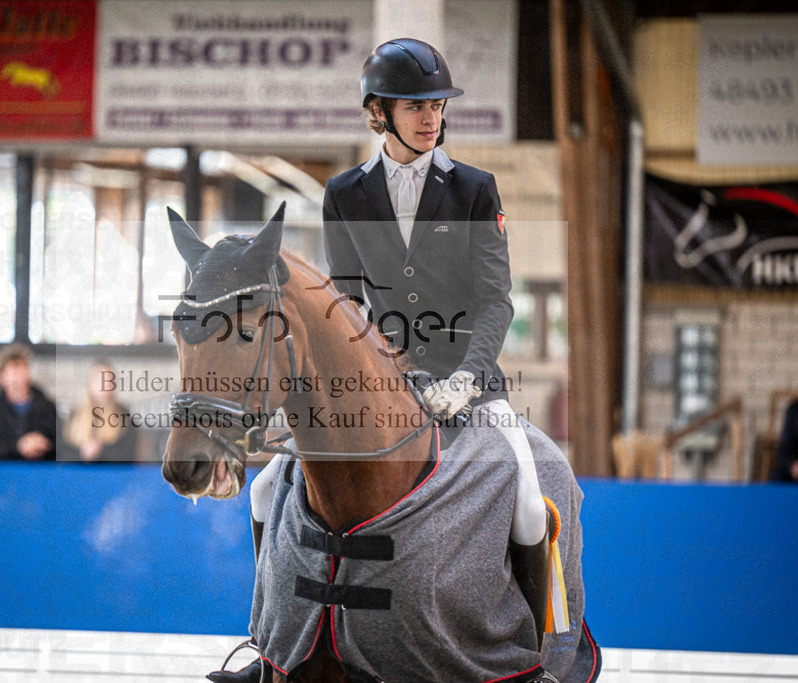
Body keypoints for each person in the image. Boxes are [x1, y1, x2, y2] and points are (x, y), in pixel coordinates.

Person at [211, 39, 560, 683]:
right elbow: (344, 301)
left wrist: (465, 377)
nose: (431, 117)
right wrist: (365, 362)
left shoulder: (476, 190)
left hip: (470, 382)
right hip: (383, 380)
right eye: (414, 105)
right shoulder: (345, 192)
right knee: (264, 489)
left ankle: (533, 657)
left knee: (531, 502)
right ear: (379, 113)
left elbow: (496, 303)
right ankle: (267, 648)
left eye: (437, 105)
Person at [0, 343, 60, 461]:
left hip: (39, 472)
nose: (17, 377)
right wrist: (18, 447)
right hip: (1, 473)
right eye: (12, 371)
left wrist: (42, 445)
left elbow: (61, 446)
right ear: (1, 376)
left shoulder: (47, 407)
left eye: (21, 369)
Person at [61, 362, 137, 462]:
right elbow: (63, 453)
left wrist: (100, 452)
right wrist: (82, 453)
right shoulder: (75, 414)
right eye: (99, 380)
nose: (104, 385)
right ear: (90, 383)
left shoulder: (125, 415)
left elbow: (129, 454)